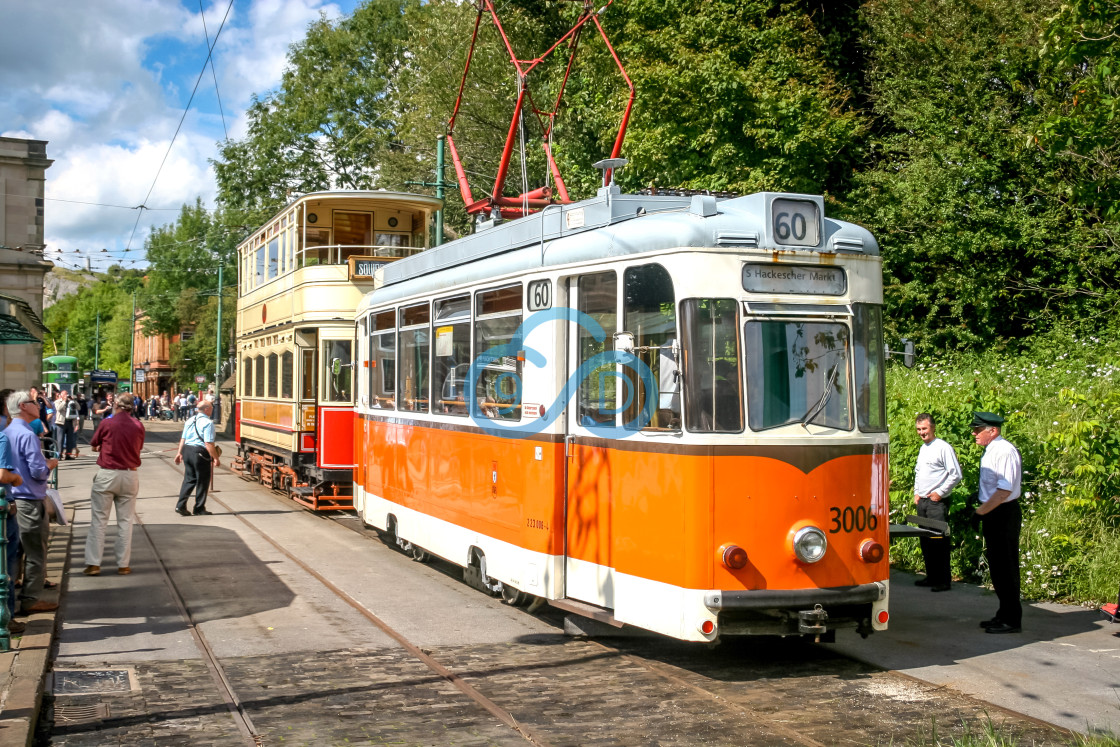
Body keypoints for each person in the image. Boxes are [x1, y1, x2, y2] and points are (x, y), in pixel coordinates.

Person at [4, 391, 59, 616]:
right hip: (29, 497)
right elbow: (37, 471)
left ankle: (13, 594)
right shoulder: (27, 435)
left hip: (12, 497)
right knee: (36, 551)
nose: (38, 406)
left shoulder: (7, 431)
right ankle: (31, 600)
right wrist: (51, 464)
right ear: (23, 407)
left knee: (16, 550)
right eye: (34, 402)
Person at [971, 411, 1023, 634]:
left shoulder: (1004, 451)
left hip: (1002, 513)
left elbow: (1004, 490)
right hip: (994, 511)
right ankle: (1004, 613)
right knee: (997, 567)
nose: (974, 433)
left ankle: (1012, 619)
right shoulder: (991, 450)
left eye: (977, 429)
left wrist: (980, 512)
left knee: (1006, 567)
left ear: (992, 431)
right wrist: (978, 498)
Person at [84, 394, 145, 576]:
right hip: (130, 475)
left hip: (108, 473)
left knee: (99, 520)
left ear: (116, 405)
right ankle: (123, 564)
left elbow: (94, 444)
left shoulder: (107, 423)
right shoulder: (138, 425)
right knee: (126, 522)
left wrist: (103, 447)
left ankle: (94, 564)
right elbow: (138, 447)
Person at [912, 413, 962, 592]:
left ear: (933, 427)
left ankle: (943, 580)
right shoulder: (923, 448)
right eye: (918, 429)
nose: (922, 433)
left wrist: (940, 493)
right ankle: (931, 577)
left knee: (938, 541)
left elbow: (955, 474)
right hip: (923, 502)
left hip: (936, 503)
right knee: (926, 541)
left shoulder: (943, 447)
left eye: (924, 429)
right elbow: (919, 473)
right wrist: (917, 492)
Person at [0, 427, 27, 634]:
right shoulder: (1, 438)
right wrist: (16, 478)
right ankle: (6, 620)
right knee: (4, 564)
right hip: (2, 511)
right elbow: (2, 475)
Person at [174, 399, 219, 516]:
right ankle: (199, 508)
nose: (212, 410)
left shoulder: (189, 420)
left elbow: (183, 438)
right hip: (200, 453)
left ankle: (180, 505)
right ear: (206, 409)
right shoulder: (208, 423)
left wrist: (179, 453)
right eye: (211, 408)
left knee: (189, 479)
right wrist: (216, 458)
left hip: (187, 450)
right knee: (203, 480)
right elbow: (208, 443)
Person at [62, 392, 80, 459]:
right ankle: (61, 454)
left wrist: (73, 400)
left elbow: (78, 409)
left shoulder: (72, 403)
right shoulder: (61, 402)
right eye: (65, 395)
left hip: (71, 422)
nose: (67, 397)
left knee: (70, 440)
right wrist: (64, 401)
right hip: (63, 422)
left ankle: (68, 454)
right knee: (62, 440)